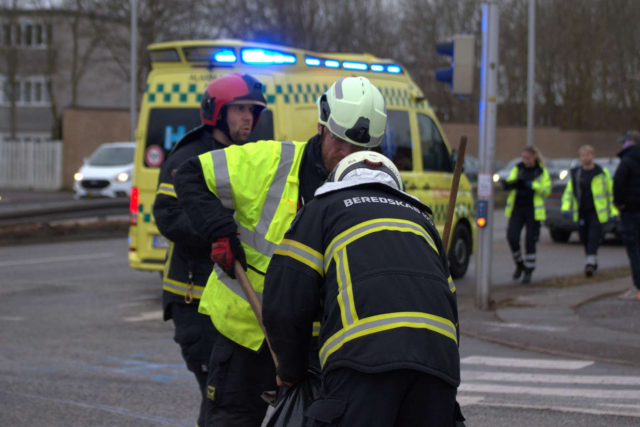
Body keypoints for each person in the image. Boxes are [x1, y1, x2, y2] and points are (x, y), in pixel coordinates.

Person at [174, 76, 387, 427]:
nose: (346, 156)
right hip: (250, 338)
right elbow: (191, 176)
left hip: (322, 350)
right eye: (339, 141)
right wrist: (220, 230)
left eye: (359, 149)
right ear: (322, 125)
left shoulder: (376, 188)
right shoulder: (270, 163)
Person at [262, 151, 464, 427]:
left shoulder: (323, 208)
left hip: (363, 363)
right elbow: (449, 302)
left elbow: (286, 296)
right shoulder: (423, 220)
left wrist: (289, 369)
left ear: (338, 181)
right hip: (438, 363)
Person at [153, 73, 267, 427]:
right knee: (220, 398)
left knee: (231, 397)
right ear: (216, 112)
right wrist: (217, 232)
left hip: (228, 302)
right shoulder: (189, 157)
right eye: (239, 110)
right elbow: (168, 214)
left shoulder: (243, 156)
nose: (248, 117)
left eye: (252, 110)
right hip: (194, 300)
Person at [561, 145, 618, 277]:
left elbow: (610, 194)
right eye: (583, 155)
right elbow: (569, 193)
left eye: (588, 155)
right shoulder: (576, 174)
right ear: (580, 157)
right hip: (581, 212)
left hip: (597, 212)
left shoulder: (602, 173)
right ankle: (592, 259)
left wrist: (613, 212)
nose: (585, 158)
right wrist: (565, 208)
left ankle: (590, 264)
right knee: (584, 237)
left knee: (593, 236)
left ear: (593, 156)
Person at [504, 146, 551, 284]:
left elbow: (546, 190)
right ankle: (519, 264)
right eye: (523, 158)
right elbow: (511, 180)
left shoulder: (541, 171)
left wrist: (533, 186)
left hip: (533, 211)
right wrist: (510, 185)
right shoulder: (518, 168)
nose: (525, 161)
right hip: (517, 209)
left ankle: (529, 271)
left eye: (528, 158)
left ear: (534, 157)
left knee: (530, 241)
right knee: (512, 237)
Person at [614, 130, 640, 301]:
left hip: (631, 210)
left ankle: (638, 287)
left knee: (634, 248)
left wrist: (619, 203)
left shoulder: (627, 160)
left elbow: (618, 183)